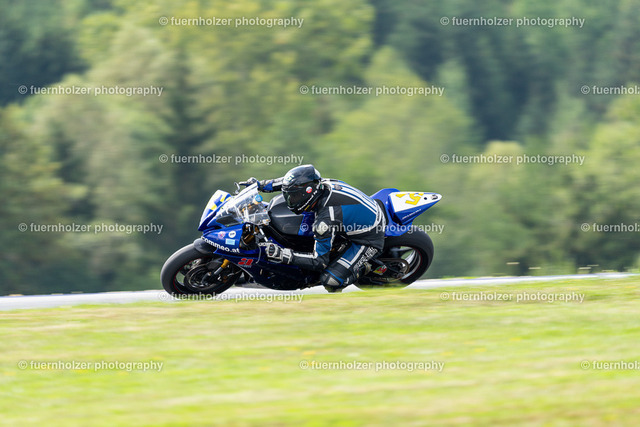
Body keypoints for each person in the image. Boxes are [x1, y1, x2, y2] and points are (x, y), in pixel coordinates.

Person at [247, 165, 386, 293]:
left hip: (369, 238)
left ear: (308, 193)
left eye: (295, 196)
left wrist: (283, 254)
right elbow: (289, 182)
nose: (291, 200)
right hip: (363, 213)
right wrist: (260, 185)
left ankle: (363, 268)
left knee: (330, 281)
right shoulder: (318, 184)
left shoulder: (325, 221)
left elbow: (319, 262)